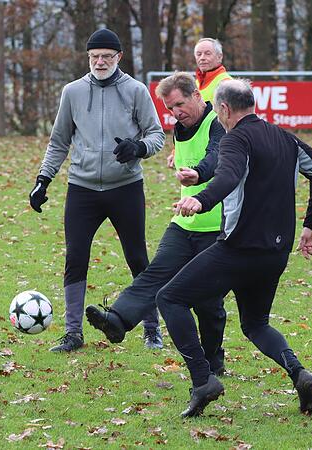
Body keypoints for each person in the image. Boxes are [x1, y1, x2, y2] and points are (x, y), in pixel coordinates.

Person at [158, 78, 312, 418]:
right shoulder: (285, 137)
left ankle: (202, 380)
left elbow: (227, 176)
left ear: (223, 109)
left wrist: (201, 200)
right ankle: (300, 374)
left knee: (169, 298)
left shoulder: (235, 138)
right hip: (276, 252)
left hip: (238, 249)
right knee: (255, 324)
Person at [29, 29, 165, 352]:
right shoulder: (72, 92)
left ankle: (151, 329)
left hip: (126, 188)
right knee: (75, 258)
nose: (100, 62)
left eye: (106, 56)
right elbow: (59, 141)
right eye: (94, 57)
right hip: (83, 189)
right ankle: (73, 333)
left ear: (119, 57)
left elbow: (157, 134)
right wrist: (43, 179)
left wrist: (139, 147)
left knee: (137, 258)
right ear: (87, 58)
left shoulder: (136, 91)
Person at [85, 72, 226, 361]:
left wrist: (199, 172)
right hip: (184, 222)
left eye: (179, 104)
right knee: (155, 274)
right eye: (170, 109)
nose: (176, 113)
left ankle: (213, 361)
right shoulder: (181, 127)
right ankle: (117, 320)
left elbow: (216, 155)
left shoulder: (218, 124)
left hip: (216, 227)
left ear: (197, 96)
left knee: (208, 304)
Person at [167, 38, 232, 169]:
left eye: (208, 53)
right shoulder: (195, 84)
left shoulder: (226, 84)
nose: (202, 58)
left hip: (218, 149)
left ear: (220, 57)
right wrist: (176, 151)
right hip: (197, 150)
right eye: (199, 54)